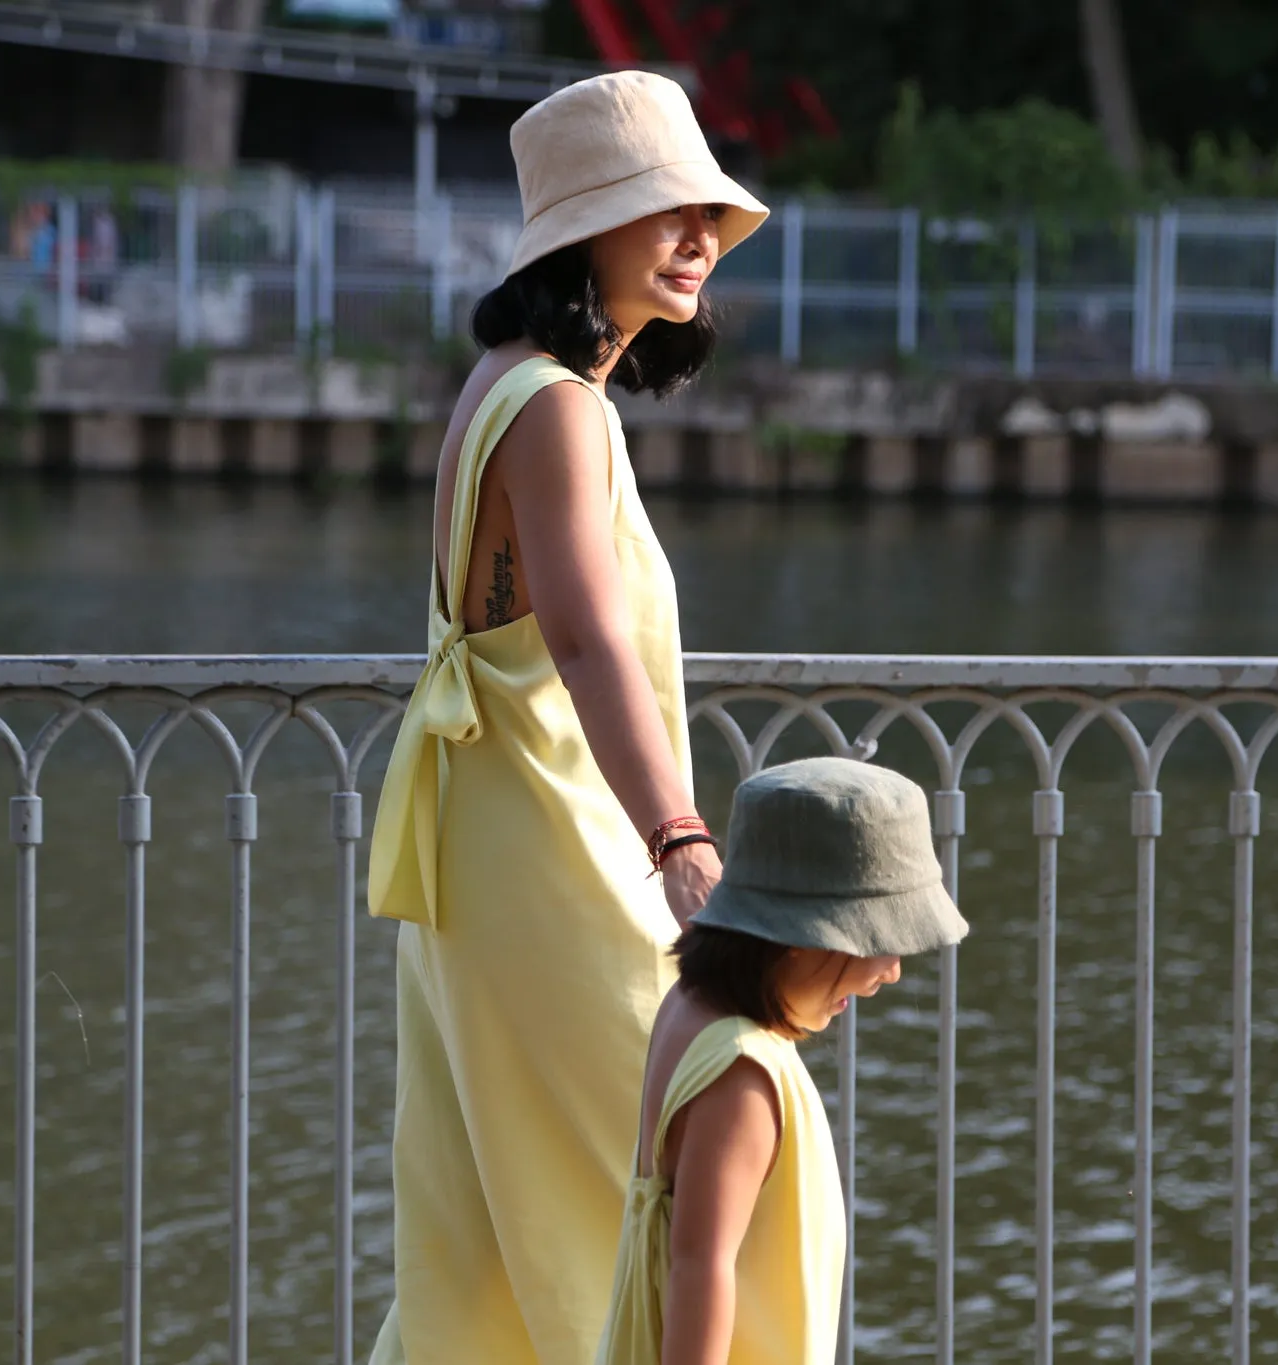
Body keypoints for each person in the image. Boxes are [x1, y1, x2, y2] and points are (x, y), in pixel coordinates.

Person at [365, 70, 769, 1365]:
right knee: (650, 1164)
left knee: (497, 1213)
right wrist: (679, 834)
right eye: (663, 210)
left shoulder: (507, 385)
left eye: (706, 209)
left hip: (495, 834)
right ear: (578, 234)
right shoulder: (551, 405)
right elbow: (586, 637)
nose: (698, 235)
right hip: (544, 839)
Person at [596, 757, 970, 1365]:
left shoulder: (689, 1007)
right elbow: (701, 1269)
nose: (892, 971)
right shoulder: (742, 1074)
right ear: (801, 932)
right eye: (879, 939)